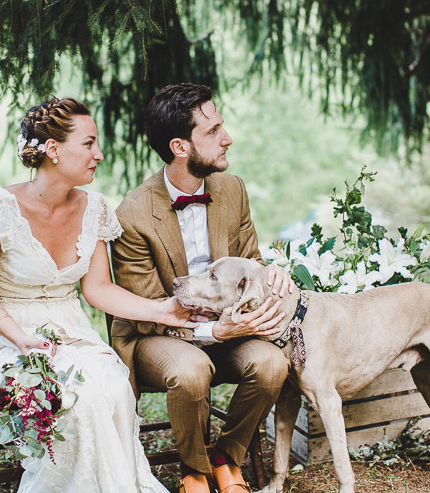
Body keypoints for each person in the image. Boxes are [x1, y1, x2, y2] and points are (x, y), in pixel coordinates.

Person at [0, 96, 197, 493]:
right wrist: (19, 337)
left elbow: (98, 289)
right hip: (8, 339)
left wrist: (162, 310)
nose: (99, 154)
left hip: (72, 334)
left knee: (114, 389)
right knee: (79, 401)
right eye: (88, 143)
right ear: (52, 149)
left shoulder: (95, 208)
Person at [110, 83, 294, 493]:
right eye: (212, 132)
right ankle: (193, 471)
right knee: (193, 369)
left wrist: (272, 276)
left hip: (227, 325)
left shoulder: (232, 190)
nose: (227, 138)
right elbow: (147, 311)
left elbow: (251, 263)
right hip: (156, 333)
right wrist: (213, 331)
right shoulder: (133, 213)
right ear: (180, 146)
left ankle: (226, 456)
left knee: (271, 364)